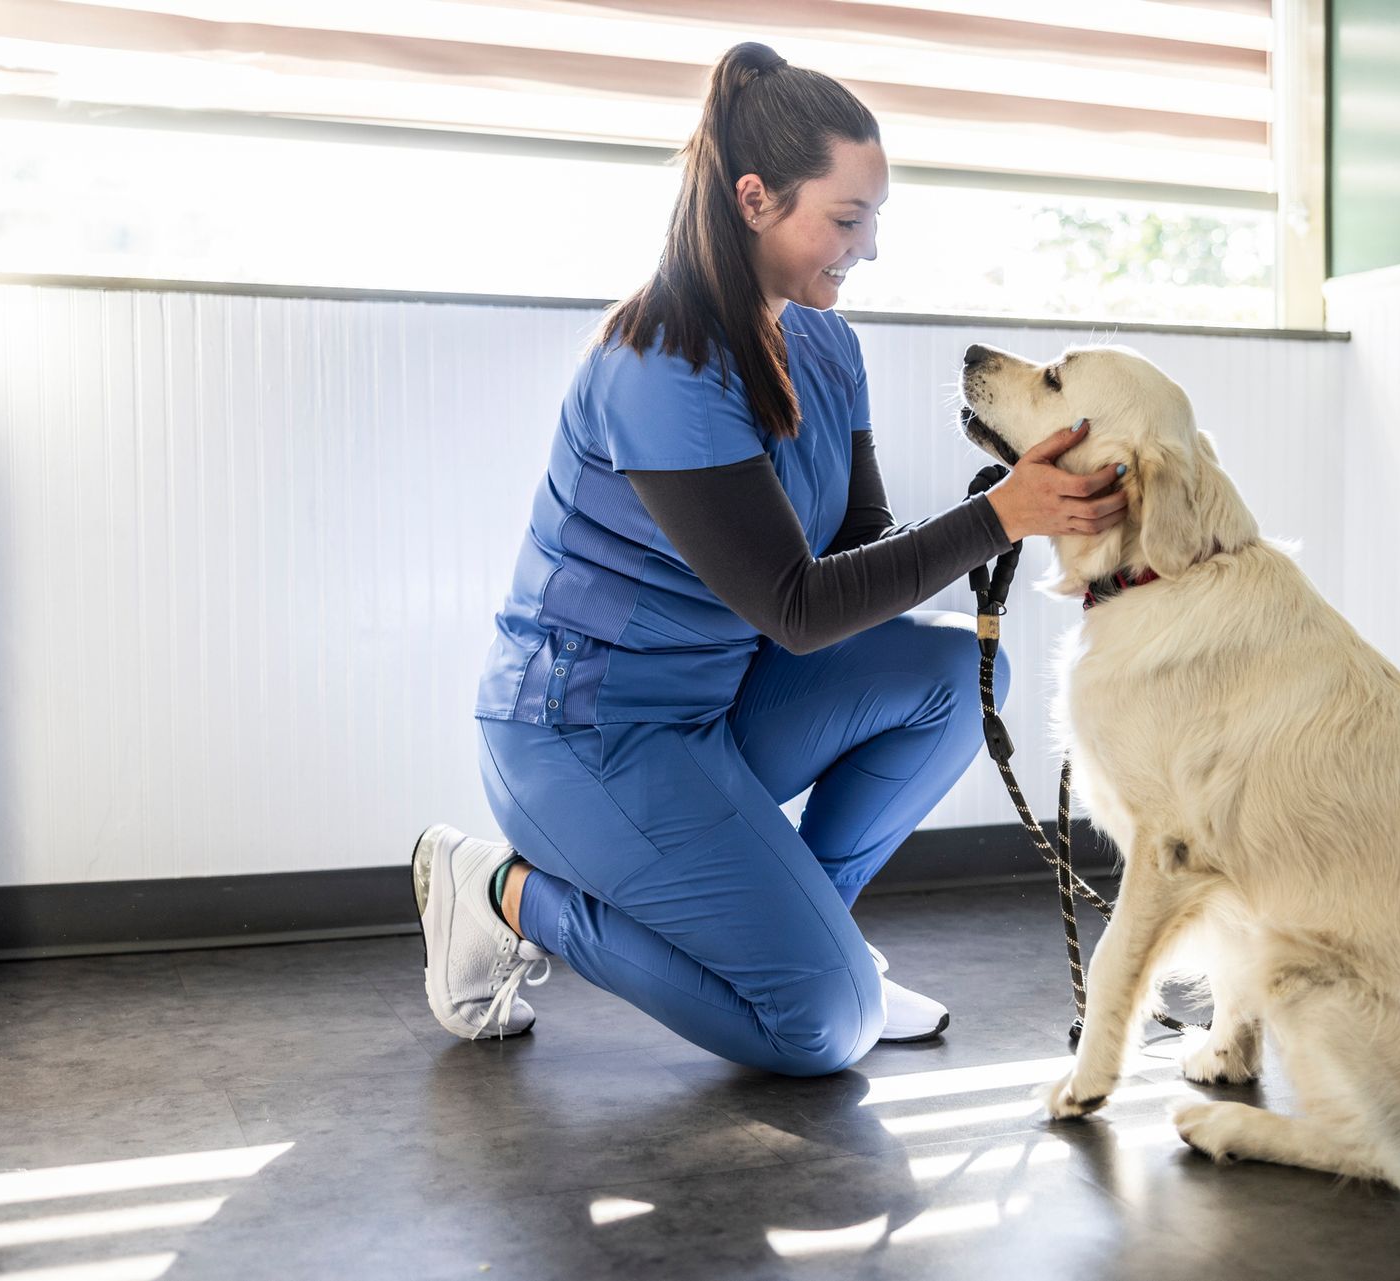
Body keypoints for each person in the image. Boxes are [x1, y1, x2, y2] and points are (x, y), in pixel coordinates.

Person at [412, 42, 1129, 1077]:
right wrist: (997, 522)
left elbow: (857, 557)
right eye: (846, 220)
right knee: (819, 1031)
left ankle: (814, 941)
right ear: (754, 199)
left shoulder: (828, 348)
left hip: (711, 713)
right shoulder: (663, 367)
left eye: (874, 220)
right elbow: (797, 609)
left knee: (945, 678)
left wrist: (994, 507)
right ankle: (497, 890)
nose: (867, 248)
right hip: (583, 737)